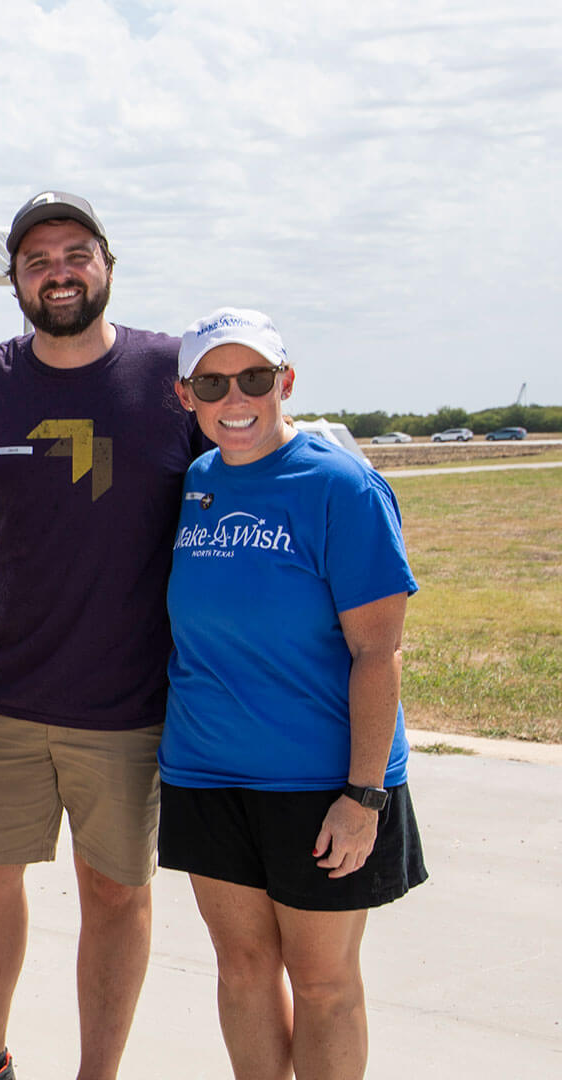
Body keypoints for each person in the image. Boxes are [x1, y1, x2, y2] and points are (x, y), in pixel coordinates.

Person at [0, 192, 203, 1080]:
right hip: (4, 686)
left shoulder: (173, 372)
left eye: (76, 254)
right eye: (38, 260)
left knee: (115, 894)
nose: (59, 272)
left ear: (107, 266)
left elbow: (240, 471)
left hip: (126, 699)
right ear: (15, 278)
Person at [164, 308, 425, 1079]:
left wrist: (363, 795)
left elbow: (379, 651)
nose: (234, 397)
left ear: (286, 383)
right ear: (187, 396)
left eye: (254, 378)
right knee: (242, 970)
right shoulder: (196, 482)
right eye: (213, 382)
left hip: (322, 782)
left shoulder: (341, 486)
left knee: (322, 982)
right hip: (206, 773)